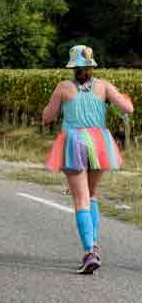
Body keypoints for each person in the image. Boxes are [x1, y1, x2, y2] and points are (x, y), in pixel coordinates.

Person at [42, 45, 134, 274]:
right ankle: (95, 245)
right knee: (92, 194)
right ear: (92, 66)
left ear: (73, 68)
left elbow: (47, 117)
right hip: (100, 142)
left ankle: (90, 251)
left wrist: (51, 109)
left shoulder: (63, 87)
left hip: (74, 141)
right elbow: (127, 109)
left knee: (80, 198)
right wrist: (116, 102)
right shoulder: (103, 86)